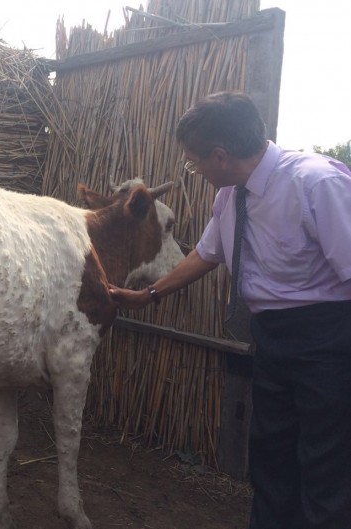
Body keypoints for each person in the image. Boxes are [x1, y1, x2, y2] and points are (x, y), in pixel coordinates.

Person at [110, 91, 351, 529]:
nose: (195, 171)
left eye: (194, 162)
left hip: (328, 339)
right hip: (271, 337)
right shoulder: (230, 197)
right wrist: (149, 295)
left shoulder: (317, 184)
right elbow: (206, 254)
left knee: (326, 463)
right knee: (271, 455)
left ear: (219, 156)